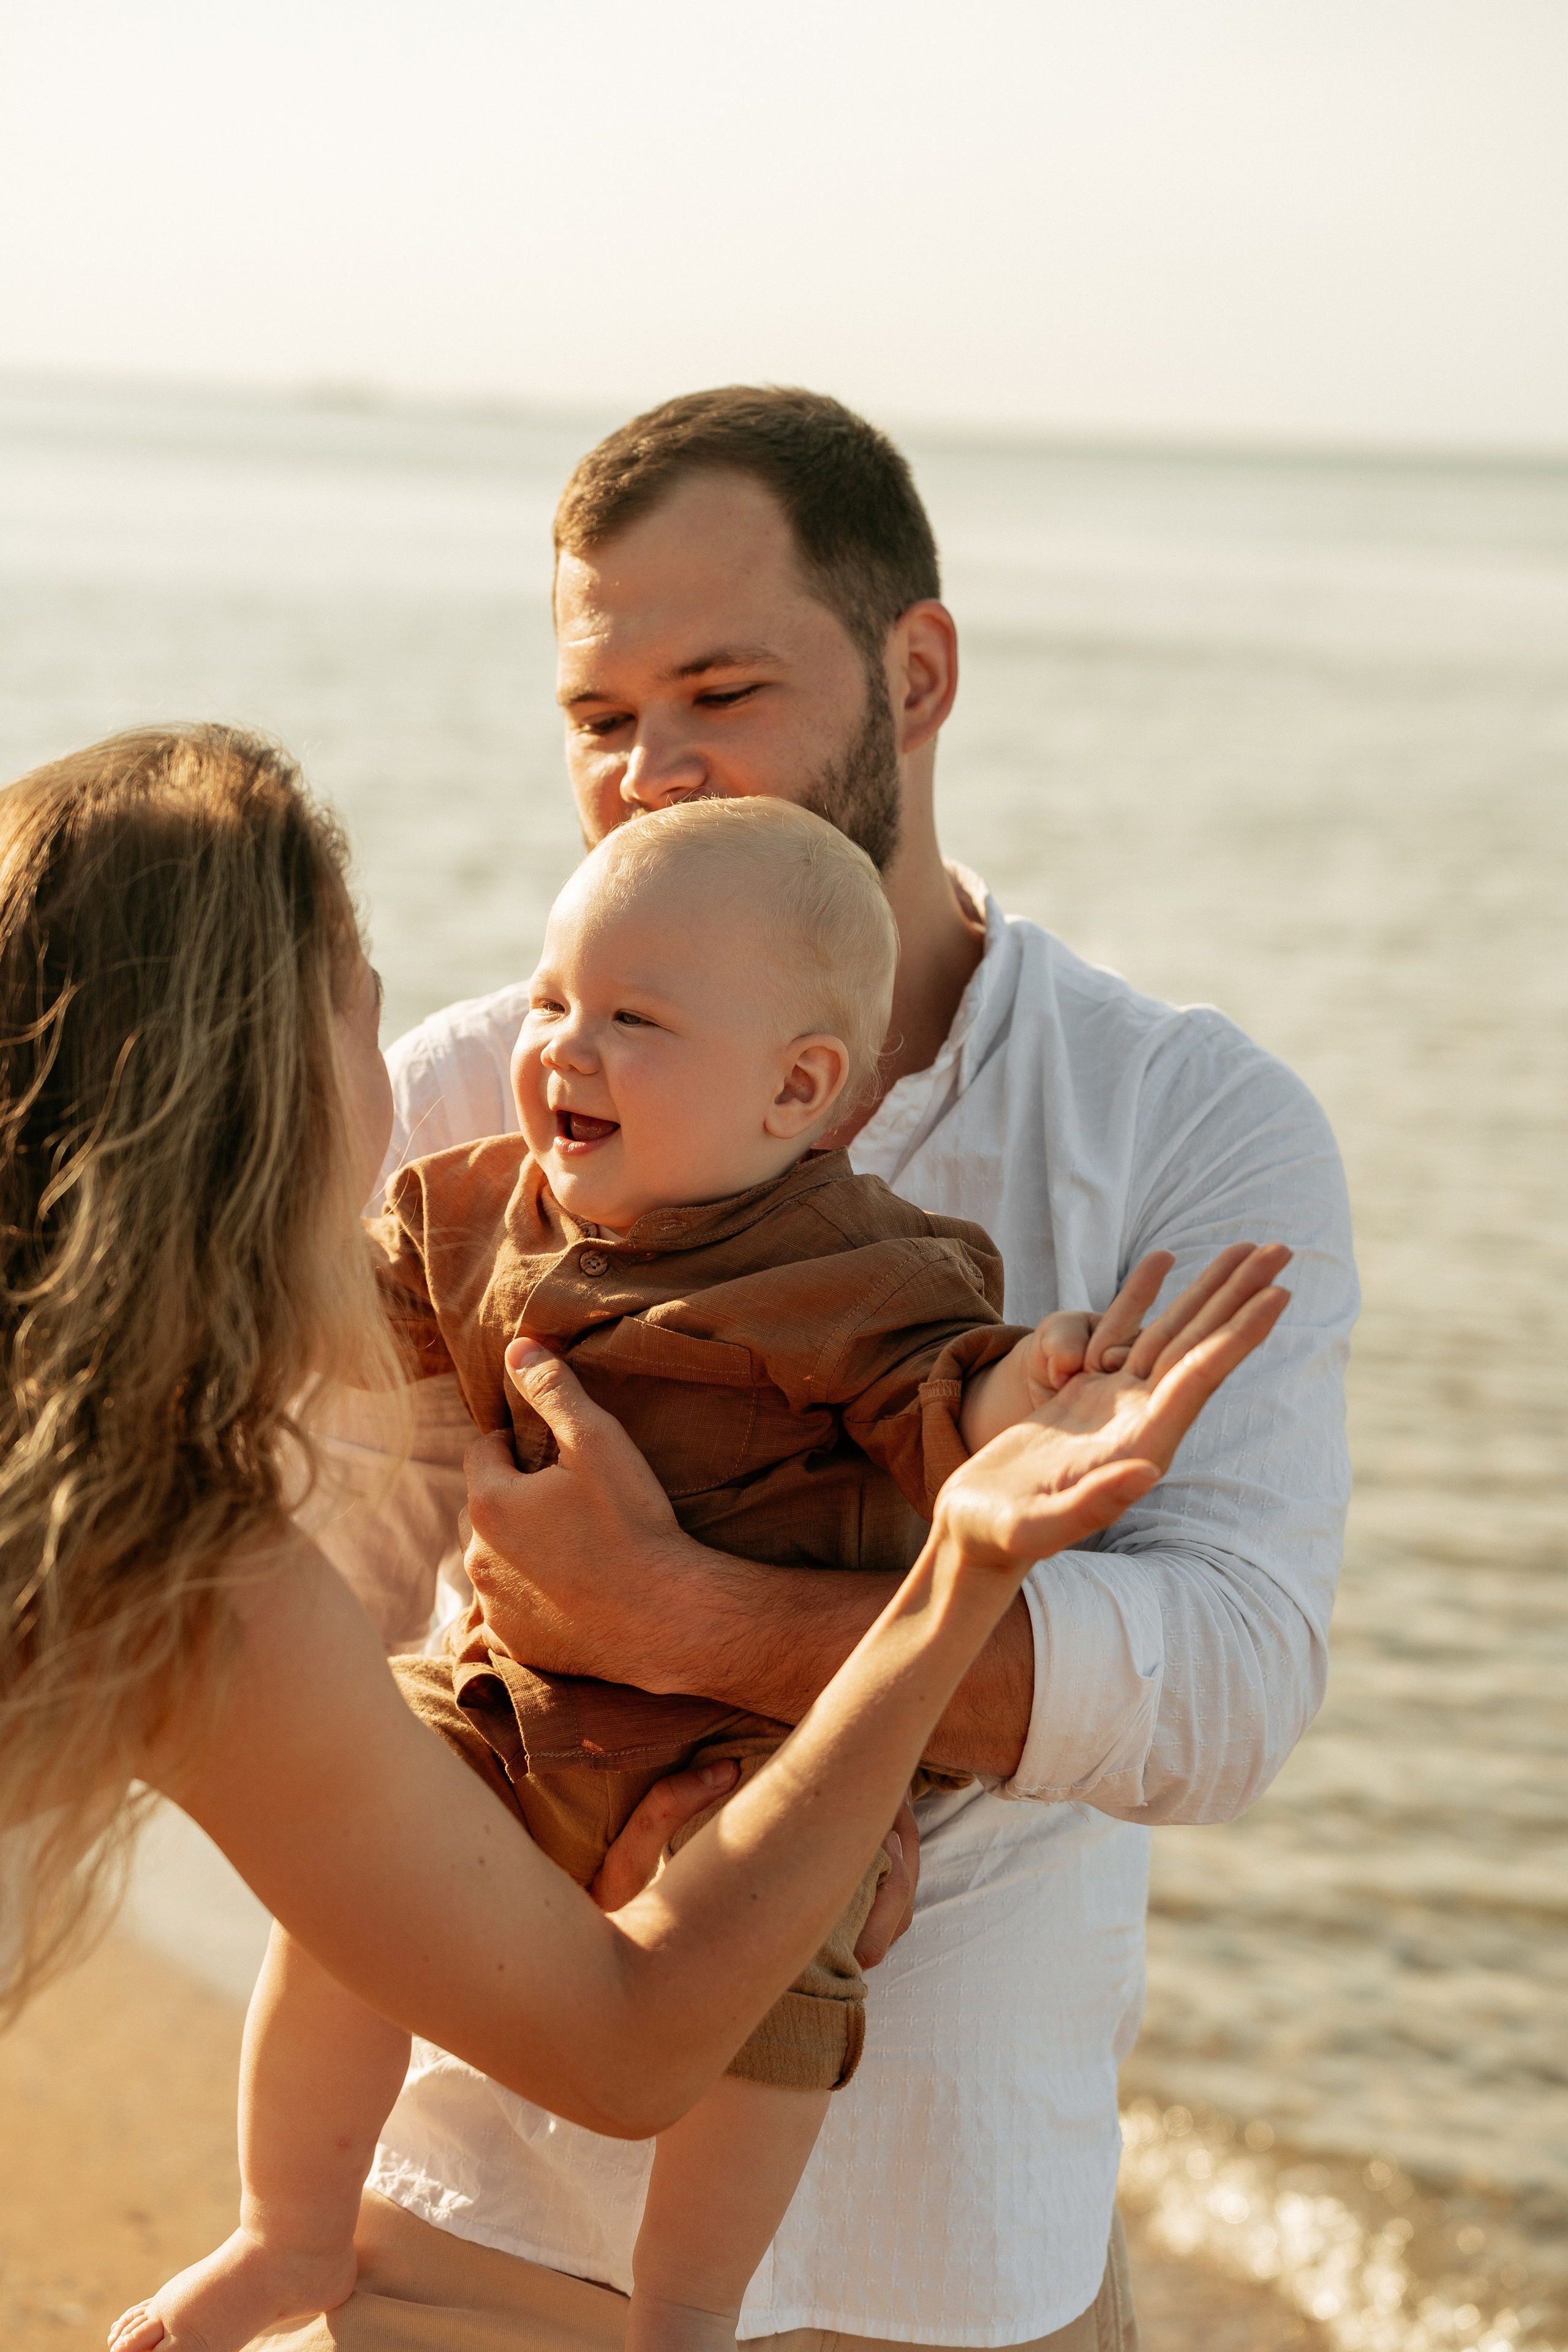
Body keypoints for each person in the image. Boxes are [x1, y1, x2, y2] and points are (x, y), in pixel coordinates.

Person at [0, 727, 1276, 2352]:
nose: (458, 1084)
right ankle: (314, 2231)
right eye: (376, 1013)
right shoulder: (209, 1577)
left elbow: (950, 1403)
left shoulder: (141, 1531)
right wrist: (960, 1570)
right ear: (257, 1085)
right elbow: (624, 2044)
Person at [311, 386, 1360, 2352]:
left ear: (919, 671)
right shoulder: (471, 1097)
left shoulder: (1180, 1123)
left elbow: (1227, 1689)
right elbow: (322, 1593)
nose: (655, 772)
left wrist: (693, 1617)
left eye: (722, 691)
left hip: (953, 2254)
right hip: (480, 2209)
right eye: (601, 719)